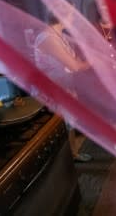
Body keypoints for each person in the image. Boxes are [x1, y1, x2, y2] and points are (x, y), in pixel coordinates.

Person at [34, 9, 93, 163]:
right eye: (71, 12)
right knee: (58, 129)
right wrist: (94, 61)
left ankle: (73, 154)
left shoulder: (59, 35)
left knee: (69, 125)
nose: (74, 16)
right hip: (51, 92)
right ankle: (62, 162)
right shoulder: (47, 38)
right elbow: (74, 66)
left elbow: (73, 58)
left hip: (65, 89)